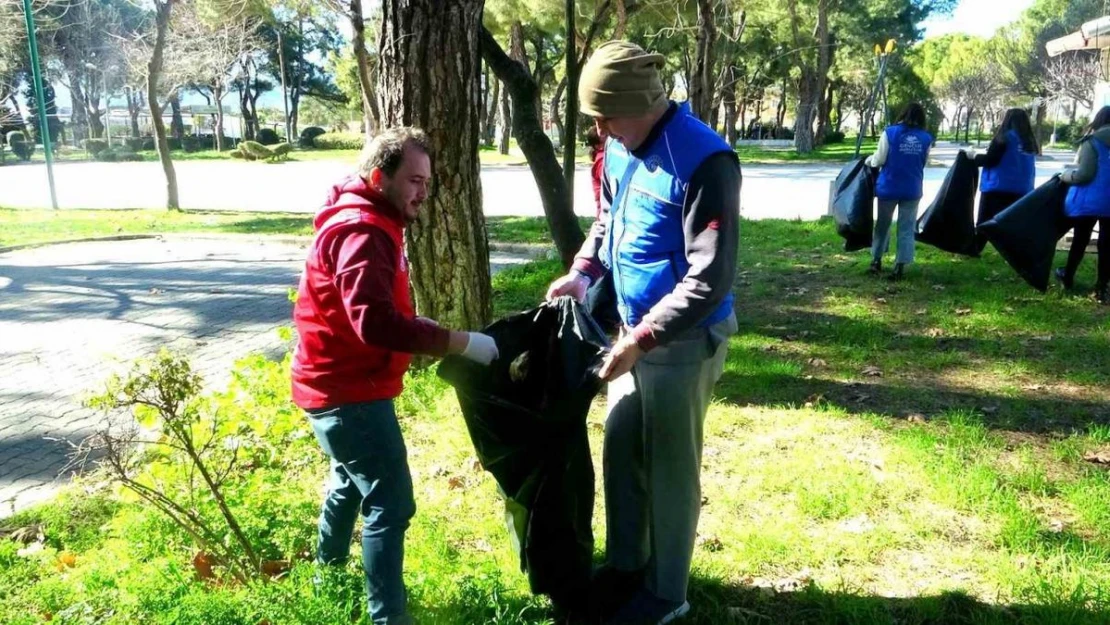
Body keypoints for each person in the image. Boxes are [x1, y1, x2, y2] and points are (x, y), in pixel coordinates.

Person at [546, 40, 740, 624]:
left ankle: (667, 591)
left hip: (681, 341)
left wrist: (644, 338)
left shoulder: (705, 160)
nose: (599, 129)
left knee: (671, 468)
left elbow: (709, 276)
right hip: (630, 334)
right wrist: (582, 274)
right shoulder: (621, 146)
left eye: (604, 117)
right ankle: (628, 564)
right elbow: (608, 222)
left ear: (637, 104)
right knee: (621, 448)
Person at [291, 127, 499, 625]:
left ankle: (327, 579)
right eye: (413, 181)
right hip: (346, 390)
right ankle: (389, 617)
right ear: (379, 175)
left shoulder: (367, 216)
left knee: (348, 480)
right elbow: (374, 322)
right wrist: (459, 341)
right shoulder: (363, 231)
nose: (422, 192)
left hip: (332, 384)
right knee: (390, 500)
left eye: (427, 182)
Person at [866, 103, 933, 281]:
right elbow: (923, 162)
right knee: (906, 228)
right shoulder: (926, 138)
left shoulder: (890, 133)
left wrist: (869, 161)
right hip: (912, 188)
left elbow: (879, 159)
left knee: (882, 225)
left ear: (902, 114)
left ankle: (876, 260)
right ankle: (900, 266)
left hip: (889, 186)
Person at [1057, 106, 1110, 304]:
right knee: (1107, 245)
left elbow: (1084, 174)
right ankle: (1102, 288)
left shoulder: (1092, 142)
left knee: (1081, 239)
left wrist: (1066, 176)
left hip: (1090, 201)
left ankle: (1067, 276)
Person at [969, 108, 1039, 251]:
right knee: (1011, 223)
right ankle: (1013, 251)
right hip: (1022, 189)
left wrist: (973, 157)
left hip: (997, 186)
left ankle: (976, 248)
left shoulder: (1004, 138)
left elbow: (991, 160)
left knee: (985, 220)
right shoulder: (1029, 141)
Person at [583, 125, 621, 334]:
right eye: (604, 136)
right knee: (607, 272)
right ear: (598, 143)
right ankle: (599, 311)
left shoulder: (610, 156)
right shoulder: (603, 161)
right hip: (607, 220)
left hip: (608, 219)